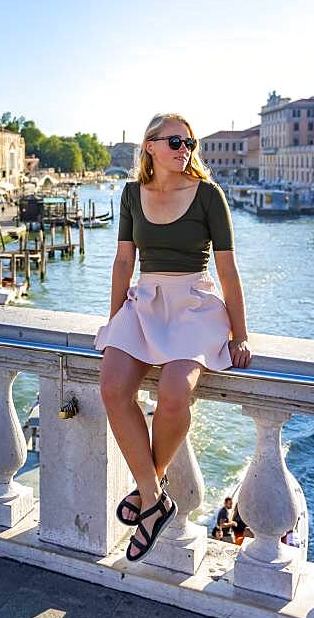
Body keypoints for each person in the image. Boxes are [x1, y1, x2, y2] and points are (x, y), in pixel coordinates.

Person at [98, 112, 251, 562]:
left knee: (173, 393)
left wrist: (239, 334)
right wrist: (115, 323)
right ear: (149, 146)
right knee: (111, 386)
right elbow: (124, 262)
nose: (184, 150)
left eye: (189, 143)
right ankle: (154, 495)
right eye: (174, 142)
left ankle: (151, 491)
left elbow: (227, 269)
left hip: (195, 307)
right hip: (143, 301)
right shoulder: (130, 195)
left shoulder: (209, 196)